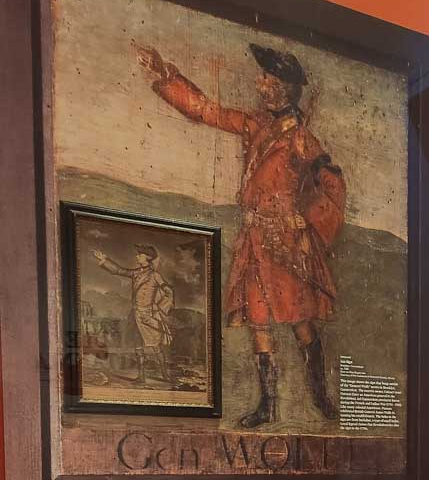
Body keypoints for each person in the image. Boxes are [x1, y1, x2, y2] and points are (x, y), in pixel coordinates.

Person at [134, 40, 346, 428]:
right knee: (258, 320)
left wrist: (305, 218)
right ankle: (268, 405)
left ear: (283, 88)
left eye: (266, 79)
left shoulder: (301, 138)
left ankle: (320, 397)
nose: (259, 84)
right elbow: (206, 111)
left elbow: (332, 184)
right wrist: (165, 76)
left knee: (299, 320)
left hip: (285, 244)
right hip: (254, 238)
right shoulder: (255, 124)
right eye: (262, 78)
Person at [92, 243, 174, 385]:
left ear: (148, 257)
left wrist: (159, 307)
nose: (137, 257)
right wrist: (104, 260)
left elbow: (168, 291)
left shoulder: (155, 275)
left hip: (147, 316)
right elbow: (119, 270)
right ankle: (141, 377)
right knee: (138, 346)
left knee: (155, 346)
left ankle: (165, 375)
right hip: (135, 315)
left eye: (140, 254)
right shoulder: (136, 273)